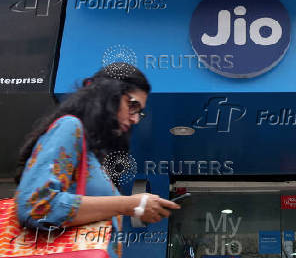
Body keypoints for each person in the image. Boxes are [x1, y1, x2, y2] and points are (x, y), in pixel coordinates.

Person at [13, 62, 180, 258]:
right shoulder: (70, 127)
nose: (135, 119)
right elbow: (36, 206)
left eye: (139, 112)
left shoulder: (94, 156)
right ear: (109, 94)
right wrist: (128, 204)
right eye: (132, 105)